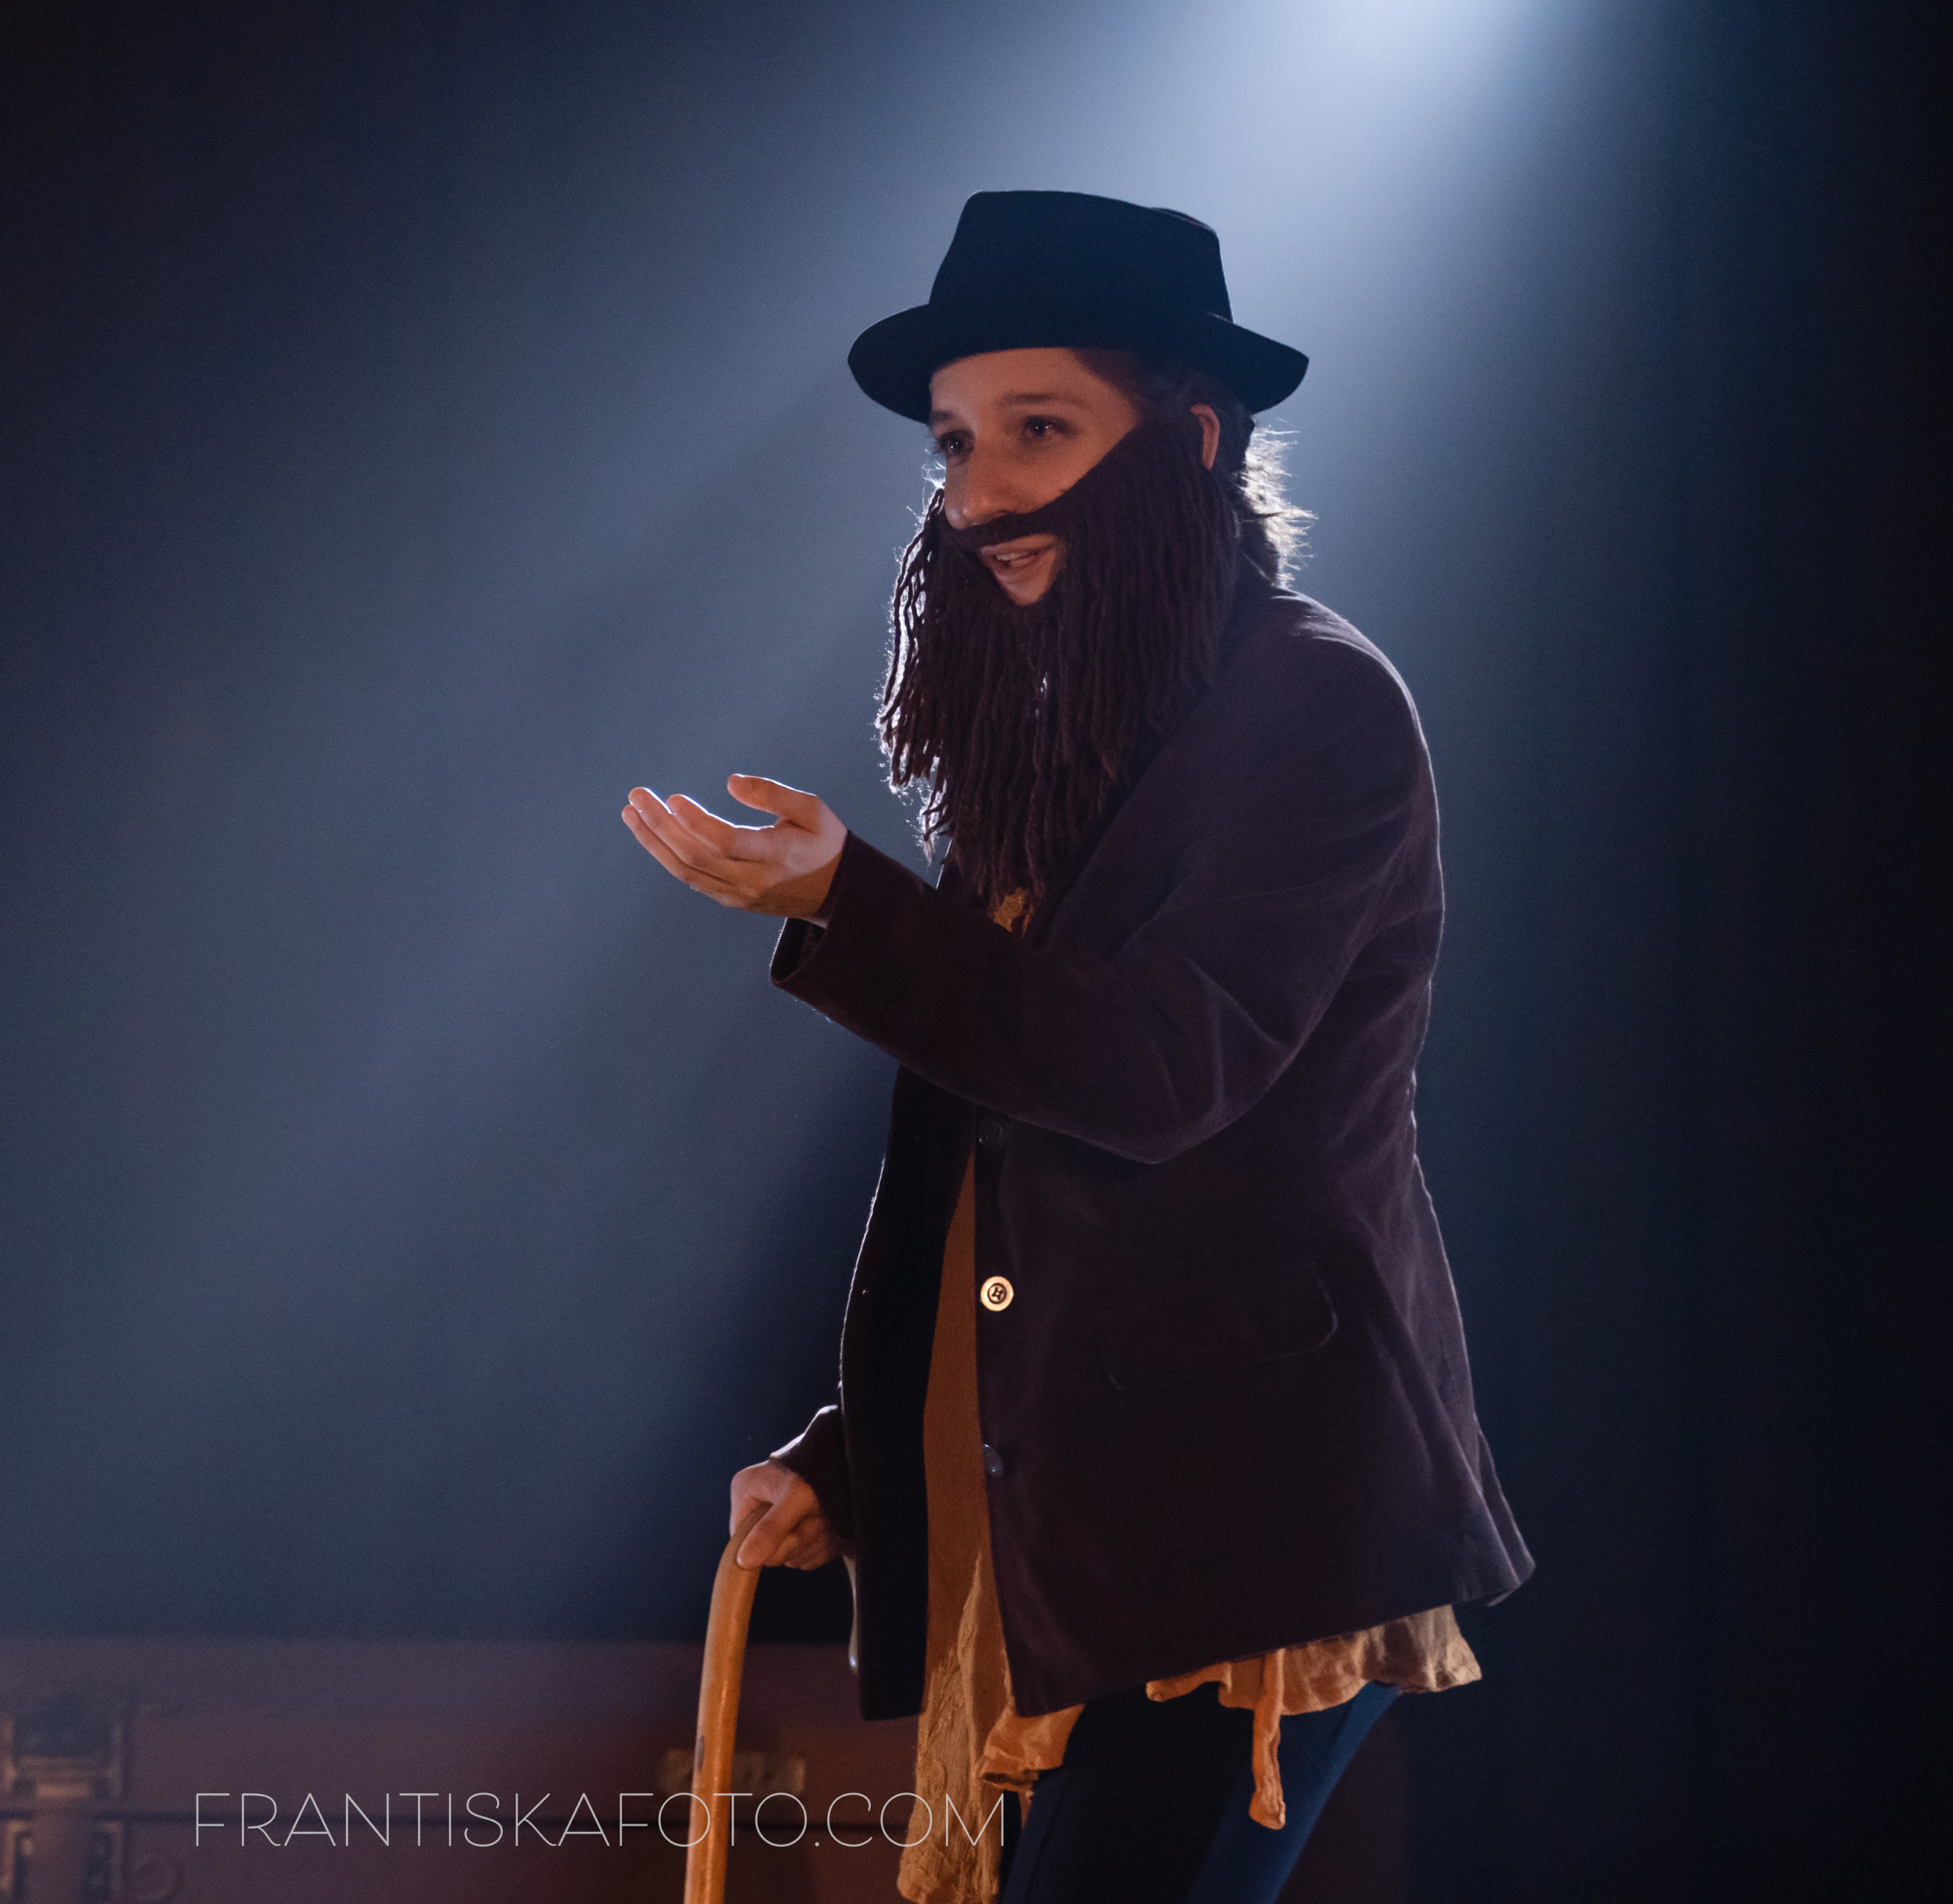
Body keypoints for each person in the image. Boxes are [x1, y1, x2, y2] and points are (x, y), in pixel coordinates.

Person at [621, 193, 1532, 1904]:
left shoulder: (1316, 707)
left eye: (1040, 428)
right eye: (955, 442)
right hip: (1094, 1518)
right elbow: (1013, 1176)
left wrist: (847, 903)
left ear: (1192, 438)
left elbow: (1158, 1072)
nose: (978, 492)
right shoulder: (1061, 745)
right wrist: (855, 1451)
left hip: (1246, 1522)